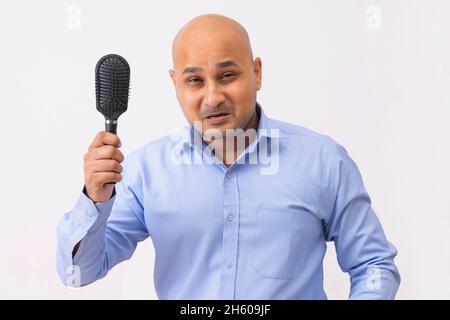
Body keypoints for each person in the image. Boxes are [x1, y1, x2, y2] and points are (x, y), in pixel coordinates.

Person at [57, 14, 400, 299]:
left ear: (257, 73)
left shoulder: (323, 161)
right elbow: (79, 274)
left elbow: (373, 265)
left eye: (227, 75)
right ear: (176, 84)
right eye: (195, 80)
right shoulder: (146, 171)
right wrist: (94, 199)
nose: (212, 97)